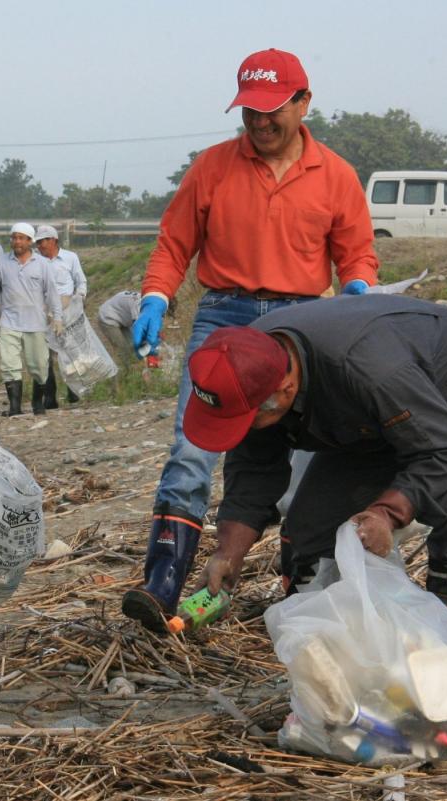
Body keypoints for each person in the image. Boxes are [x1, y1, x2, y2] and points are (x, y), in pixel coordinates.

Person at [120, 48, 380, 630]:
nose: (260, 124)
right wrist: (156, 298)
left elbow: (355, 251)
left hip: (302, 325)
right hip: (225, 318)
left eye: (272, 111)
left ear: (304, 102)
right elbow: (173, 245)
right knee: (192, 448)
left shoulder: (335, 175)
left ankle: (306, 580)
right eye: (249, 113)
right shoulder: (212, 167)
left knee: (310, 455)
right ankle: (162, 581)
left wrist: (360, 286)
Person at [178, 294, 447, 634]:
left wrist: (386, 513)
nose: (244, 428)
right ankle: (329, 643)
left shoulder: (367, 367)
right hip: (373, 413)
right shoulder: (247, 370)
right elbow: (253, 473)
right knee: (312, 528)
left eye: (247, 420)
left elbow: (444, 449)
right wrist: (228, 552)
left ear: (285, 389)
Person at [0, 222, 63, 417]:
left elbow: (52, 293)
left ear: (30, 241)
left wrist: (58, 317)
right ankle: (15, 408)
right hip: (9, 322)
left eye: (21, 238)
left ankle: (37, 403)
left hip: (35, 323)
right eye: (14, 238)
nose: (16, 242)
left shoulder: (42, 264)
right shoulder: (3, 261)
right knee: (9, 365)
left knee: (39, 366)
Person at [34, 224, 87, 408]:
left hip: (67, 310)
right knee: (45, 355)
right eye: (38, 242)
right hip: (43, 312)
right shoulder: (35, 261)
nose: (40, 245)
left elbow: (80, 281)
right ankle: (50, 397)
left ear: (54, 240)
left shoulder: (70, 258)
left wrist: (78, 301)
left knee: (70, 351)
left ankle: (74, 391)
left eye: (43, 241)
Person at [97, 290, 172, 369]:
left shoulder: (151, 302)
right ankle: (129, 375)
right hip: (107, 318)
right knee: (124, 351)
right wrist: (153, 354)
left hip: (121, 315)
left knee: (132, 347)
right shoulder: (139, 306)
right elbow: (141, 337)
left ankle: (138, 369)